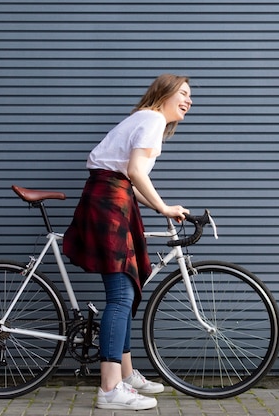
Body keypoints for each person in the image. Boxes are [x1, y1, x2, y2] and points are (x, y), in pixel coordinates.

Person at [62, 74, 192, 410]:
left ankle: (127, 374)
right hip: (109, 199)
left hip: (114, 197)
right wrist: (163, 206)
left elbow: (131, 182)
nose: (189, 101)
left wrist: (163, 206)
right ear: (163, 94)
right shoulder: (151, 120)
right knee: (121, 294)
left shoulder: (146, 120)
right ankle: (109, 389)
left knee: (128, 290)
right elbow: (136, 171)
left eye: (190, 96)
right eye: (183, 94)